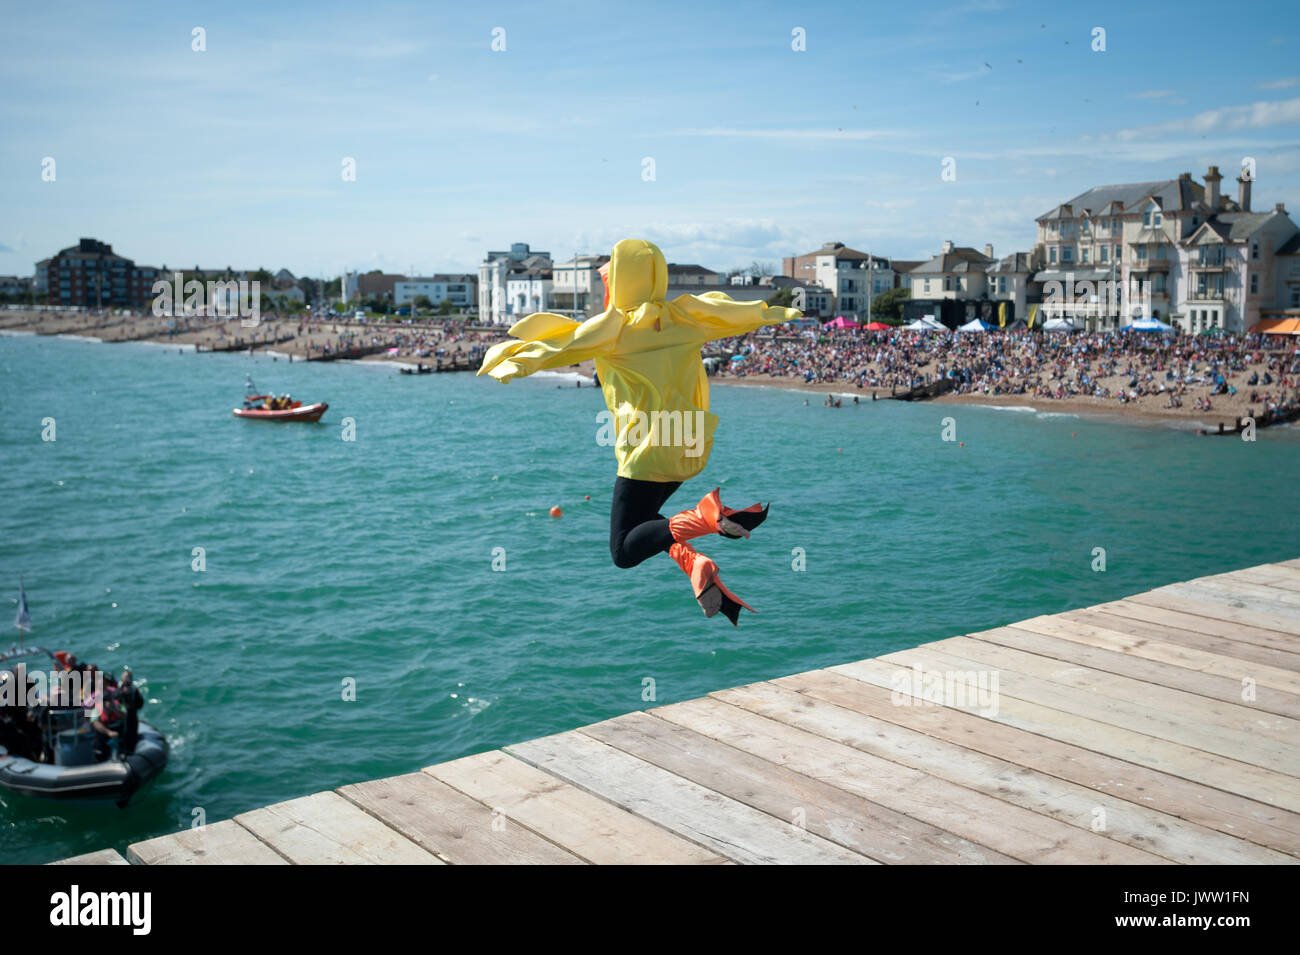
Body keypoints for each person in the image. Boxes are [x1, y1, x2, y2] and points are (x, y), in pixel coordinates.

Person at [478, 239, 800, 624]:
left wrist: (509, 361)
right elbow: (733, 312)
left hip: (650, 448)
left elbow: (560, 347)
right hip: (690, 443)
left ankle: (706, 516)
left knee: (623, 551)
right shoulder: (687, 315)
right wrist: (775, 312)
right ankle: (694, 563)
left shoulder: (614, 328)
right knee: (647, 520)